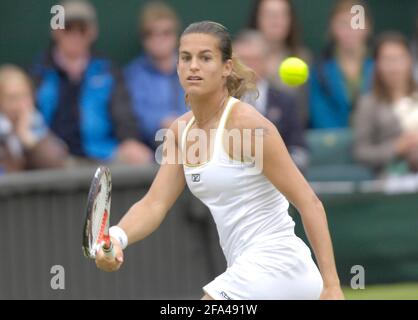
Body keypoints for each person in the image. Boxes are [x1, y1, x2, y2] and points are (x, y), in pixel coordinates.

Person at [95, 21, 343, 300]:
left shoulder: (248, 125)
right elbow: (155, 204)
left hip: (278, 265)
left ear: (226, 67)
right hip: (249, 270)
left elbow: (309, 202)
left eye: (205, 57)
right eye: (186, 58)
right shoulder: (180, 132)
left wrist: (331, 286)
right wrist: (117, 237)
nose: (193, 66)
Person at [31, 0, 153, 165]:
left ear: (92, 32)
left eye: (81, 29)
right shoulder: (38, 72)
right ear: (56, 31)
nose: (75, 35)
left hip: (102, 153)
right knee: (47, 153)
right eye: (68, 28)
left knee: (140, 157)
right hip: (55, 159)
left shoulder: (107, 70)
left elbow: (124, 114)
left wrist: (129, 140)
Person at [233, 29, 309, 172]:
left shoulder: (285, 102)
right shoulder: (220, 103)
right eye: (242, 60)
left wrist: (275, 167)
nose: (248, 66)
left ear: (266, 61)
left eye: (254, 59)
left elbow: (300, 152)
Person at [124, 1, 188, 150]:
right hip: (151, 149)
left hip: (196, 142)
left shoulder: (193, 68)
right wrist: (162, 122)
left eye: (166, 32)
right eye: (151, 33)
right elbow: (133, 116)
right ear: (143, 38)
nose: (158, 39)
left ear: (176, 35)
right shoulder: (133, 74)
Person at [354, 32, 418, 176]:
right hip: (390, 178)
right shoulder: (367, 104)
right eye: (387, 59)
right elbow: (361, 152)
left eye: (399, 58)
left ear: (409, 61)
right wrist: (397, 147)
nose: (394, 67)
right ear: (377, 64)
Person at [309, 0, 374, 129]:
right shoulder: (319, 71)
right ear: (332, 28)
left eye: (357, 23)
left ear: (368, 27)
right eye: (343, 24)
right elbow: (320, 118)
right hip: (333, 145)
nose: (350, 30)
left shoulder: (380, 67)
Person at [248, 0, 311, 125]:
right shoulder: (241, 57)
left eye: (283, 14)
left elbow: (304, 112)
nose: (276, 21)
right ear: (257, 18)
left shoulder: (303, 58)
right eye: (270, 14)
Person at [0, 64, 68, 173]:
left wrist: (27, 139)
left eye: (25, 96)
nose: (20, 104)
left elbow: (56, 161)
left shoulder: (36, 124)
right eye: (12, 98)